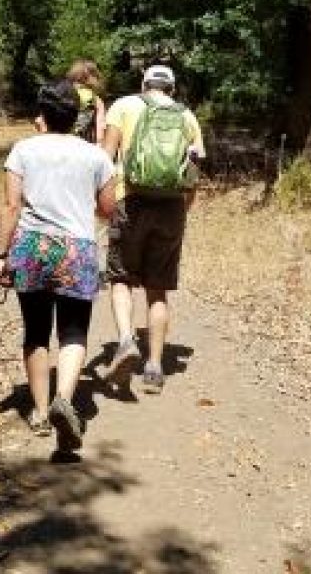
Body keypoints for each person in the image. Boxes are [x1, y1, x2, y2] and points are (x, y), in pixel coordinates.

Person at [0, 80, 116, 451]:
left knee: (35, 332)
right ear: (76, 116)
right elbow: (108, 210)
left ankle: (42, 412)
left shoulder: (23, 149)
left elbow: (12, 208)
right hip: (77, 249)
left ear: (42, 113)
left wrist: (0, 255)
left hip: (31, 246)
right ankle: (65, 397)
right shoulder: (96, 156)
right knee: (74, 332)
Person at [101, 64, 205, 394]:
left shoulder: (123, 106)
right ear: (171, 89)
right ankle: (155, 367)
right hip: (171, 207)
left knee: (120, 278)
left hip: (128, 201)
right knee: (157, 289)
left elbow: (105, 160)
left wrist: (102, 204)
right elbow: (193, 172)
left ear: (143, 84)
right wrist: (182, 209)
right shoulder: (187, 117)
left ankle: (126, 340)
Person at [65, 59, 106, 144]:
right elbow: (100, 131)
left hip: (64, 141)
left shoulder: (64, 96)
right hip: (86, 145)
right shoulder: (96, 100)